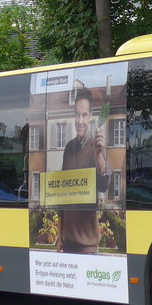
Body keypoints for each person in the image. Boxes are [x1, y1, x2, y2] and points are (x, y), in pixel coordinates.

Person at [57, 87, 109, 254]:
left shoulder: (96, 147)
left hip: (89, 248)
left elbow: (103, 185)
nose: (80, 120)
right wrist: (59, 239)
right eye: (77, 115)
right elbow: (62, 198)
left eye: (84, 115)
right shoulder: (68, 148)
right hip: (67, 245)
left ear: (90, 117)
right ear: (74, 116)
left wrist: (99, 154)